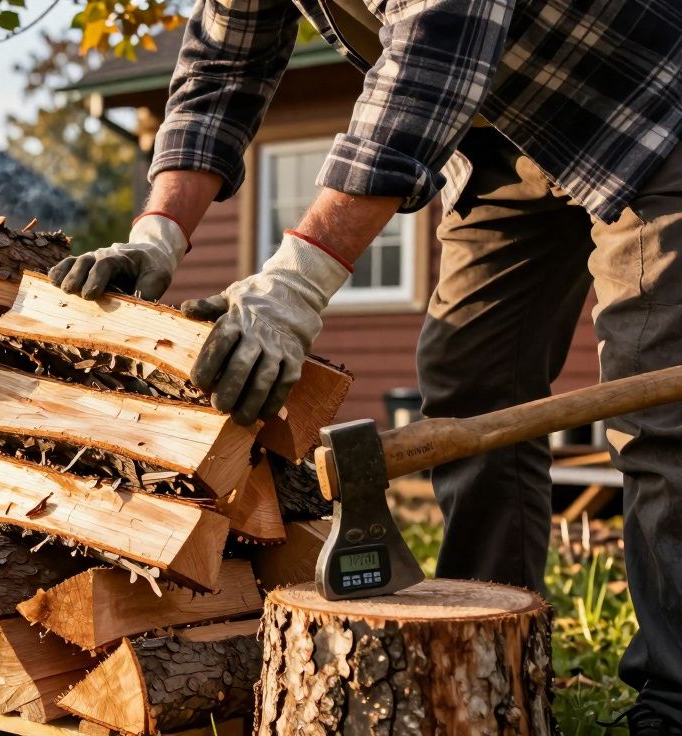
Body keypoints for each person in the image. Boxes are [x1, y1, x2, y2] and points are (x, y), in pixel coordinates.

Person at [49, 0, 682, 732]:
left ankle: (674, 699)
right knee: (469, 382)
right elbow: (222, 64)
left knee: (656, 400)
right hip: (505, 136)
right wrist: (158, 232)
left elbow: (431, 55)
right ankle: (494, 660)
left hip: (647, 109)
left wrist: (297, 282)